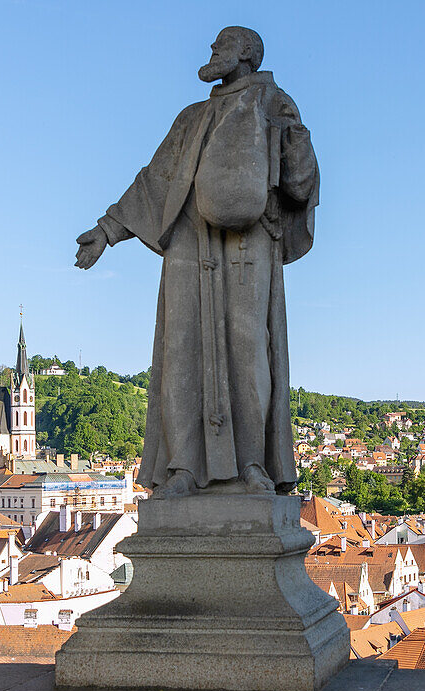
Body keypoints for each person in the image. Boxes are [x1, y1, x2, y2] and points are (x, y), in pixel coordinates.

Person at [74, 26, 318, 497]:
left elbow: (300, 187)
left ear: (245, 52)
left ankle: (252, 464)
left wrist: (295, 141)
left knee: (249, 354)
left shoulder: (273, 104)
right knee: (180, 352)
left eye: (220, 45)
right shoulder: (192, 117)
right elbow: (156, 179)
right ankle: (183, 467)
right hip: (190, 243)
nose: (210, 53)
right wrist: (108, 230)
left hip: (248, 245)